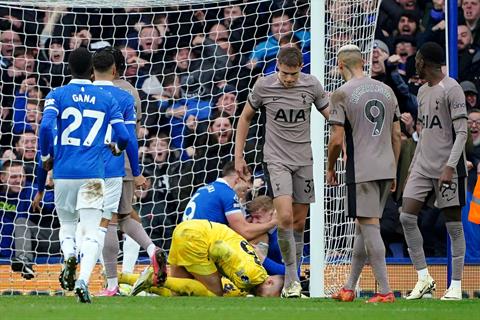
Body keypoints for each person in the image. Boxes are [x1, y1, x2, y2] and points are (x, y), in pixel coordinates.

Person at [36, 47, 130, 303]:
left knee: (67, 226)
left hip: (64, 173)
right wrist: (117, 147)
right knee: (91, 232)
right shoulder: (107, 99)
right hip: (92, 175)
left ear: (68, 68)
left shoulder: (56, 94)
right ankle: (83, 281)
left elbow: (45, 127)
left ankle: (68, 256)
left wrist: (46, 157)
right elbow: (123, 136)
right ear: (91, 70)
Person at [235, 46, 329, 298]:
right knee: (285, 217)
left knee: (298, 223)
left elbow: (330, 115)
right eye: (285, 73)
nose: (289, 79)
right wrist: (239, 155)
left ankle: (294, 279)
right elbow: (245, 118)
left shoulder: (312, 85)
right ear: (277, 66)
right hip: (276, 159)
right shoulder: (263, 86)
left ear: (301, 68)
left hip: (304, 160)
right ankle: (292, 280)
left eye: (293, 74)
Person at [327, 44, 401, 303]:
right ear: (362, 62)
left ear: (340, 65)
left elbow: (336, 140)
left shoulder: (342, 93)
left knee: (370, 229)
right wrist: (393, 169)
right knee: (362, 227)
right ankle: (349, 288)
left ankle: (385, 290)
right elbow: (396, 135)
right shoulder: (387, 90)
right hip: (385, 168)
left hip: (361, 170)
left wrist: (330, 167)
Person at [90, 47, 163, 297]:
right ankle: (152, 249)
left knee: (106, 221)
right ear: (118, 67)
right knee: (124, 216)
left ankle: (111, 284)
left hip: (98, 163)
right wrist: (138, 170)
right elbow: (132, 134)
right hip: (126, 163)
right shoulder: (131, 92)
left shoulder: (90, 92)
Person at [400, 42, 468, 301]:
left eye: (417, 59)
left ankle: (457, 284)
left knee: (453, 226)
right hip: (422, 166)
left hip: (447, 168)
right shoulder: (422, 91)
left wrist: (451, 166)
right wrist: (412, 167)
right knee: (406, 217)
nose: (414, 62)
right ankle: (424, 278)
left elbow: (462, 133)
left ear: (425, 62)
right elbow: (424, 132)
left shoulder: (452, 89)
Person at [129, 220, 283, 297]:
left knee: (178, 295)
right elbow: (219, 247)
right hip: (196, 238)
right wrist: (215, 271)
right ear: (270, 281)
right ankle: (151, 278)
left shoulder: (255, 273)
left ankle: (129, 278)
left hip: (186, 229)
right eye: (272, 296)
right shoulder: (251, 277)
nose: (268, 300)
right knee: (213, 295)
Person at [183, 161, 275, 241]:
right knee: (260, 237)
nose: (249, 188)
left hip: (182, 238)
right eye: (248, 182)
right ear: (238, 180)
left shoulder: (203, 189)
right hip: (198, 242)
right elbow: (244, 232)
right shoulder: (227, 193)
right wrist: (273, 223)